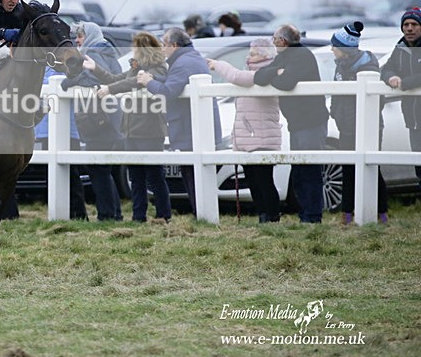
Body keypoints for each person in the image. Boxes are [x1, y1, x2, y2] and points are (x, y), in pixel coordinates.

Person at [83, 31, 171, 222]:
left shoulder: (158, 70)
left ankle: (164, 215)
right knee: (136, 178)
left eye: (134, 47)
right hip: (130, 131)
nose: (132, 51)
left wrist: (110, 90)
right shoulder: (135, 68)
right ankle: (139, 216)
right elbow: (116, 79)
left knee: (155, 177)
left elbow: (132, 83)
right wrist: (95, 68)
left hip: (150, 131)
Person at [137, 27, 222, 217]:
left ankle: (202, 215)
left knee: (193, 177)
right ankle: (201, 214)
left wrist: (147, 82)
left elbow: (168, 92)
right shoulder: (191, 58)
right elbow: (172, 81)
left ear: (174, 45)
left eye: (164, 45)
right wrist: (154, 78)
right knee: (194, 175)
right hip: (194, 129)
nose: (162, 49)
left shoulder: (183, 63)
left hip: (190, 130)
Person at [254, 24, 329, 223]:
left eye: (275, 38)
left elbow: (286, 83)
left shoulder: (302, 56)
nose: (273, 42)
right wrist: (276, 72)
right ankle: (305, 214)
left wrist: (278, 74)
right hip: (297, 122)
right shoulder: (284, 57)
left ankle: (312, 217)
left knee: (309, 171)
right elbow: (260, 77)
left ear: (284, 41)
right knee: (299, 172)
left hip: (311, 121)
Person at [207, 39, 282, 222]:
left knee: (264, 181)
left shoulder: (266, 72)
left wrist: (219, 64)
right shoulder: (253, 72)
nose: (249, 56)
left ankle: (272, 216)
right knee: (254, 181)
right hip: (249, 138)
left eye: (254, 53)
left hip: (262, 137)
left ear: (265, 56)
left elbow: (236, 76)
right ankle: (263, 215)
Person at [61, 22, 124, 221]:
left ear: (87, 36)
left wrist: (69, 81)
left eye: (79, 37)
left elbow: (93, 79)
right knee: (105, 169)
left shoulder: (94, 53)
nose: (77, 41)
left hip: (100, 120)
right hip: (111, 118)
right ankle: (115, 214)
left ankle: (107, 214)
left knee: (98, 169)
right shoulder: (108, 51)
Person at [329, 22, 388, 224]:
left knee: (372, 169)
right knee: (347, 169)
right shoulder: (339, 66)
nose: (332, 50)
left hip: (367, 126)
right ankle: (347, 214)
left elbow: (378, 101)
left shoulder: (368, 66)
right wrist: (335, 113)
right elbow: (337, 95)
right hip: (345, 127)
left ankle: (380, 213)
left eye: (335, 46)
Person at [34, 66, 89, 220]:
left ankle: (78, 214)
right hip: (46, 130)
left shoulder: (66, 68)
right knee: (52, 174)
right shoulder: (42, 68)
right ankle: (61, 214)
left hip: (67, 130)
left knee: (72, 175)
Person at [381, 7, 421, 196]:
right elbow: (386, 68)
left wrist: (406, 83)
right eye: (406, 24)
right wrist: (391, 77)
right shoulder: (400, 48)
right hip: (413, 119)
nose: (409, 28)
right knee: (418, 165)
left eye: (414, 24)